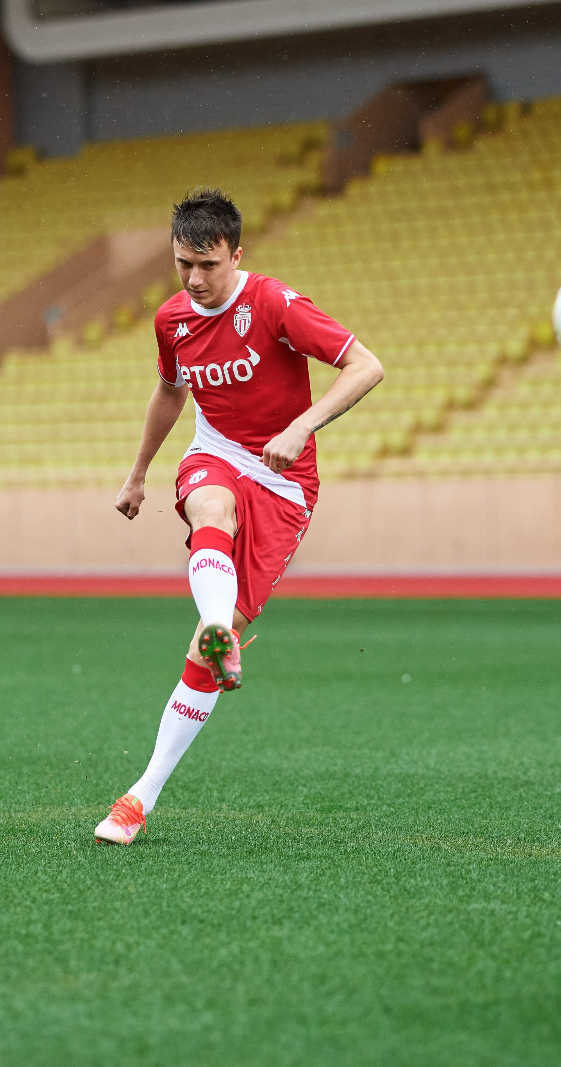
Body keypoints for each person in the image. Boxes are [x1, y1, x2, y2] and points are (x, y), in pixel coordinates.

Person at [95, 188, 384, 845]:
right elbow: (170, 392)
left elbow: (368, 366)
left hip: (285, 483)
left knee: (199, 656)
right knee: (209, 504)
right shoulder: (172, 320)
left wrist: (303, 424)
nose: (194, 280)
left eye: (207, 265)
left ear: (236, 255)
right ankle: (139, 798)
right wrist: (138, 473)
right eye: (182, 265)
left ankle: (215, 637)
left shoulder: (275, 303)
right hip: (216, 456)